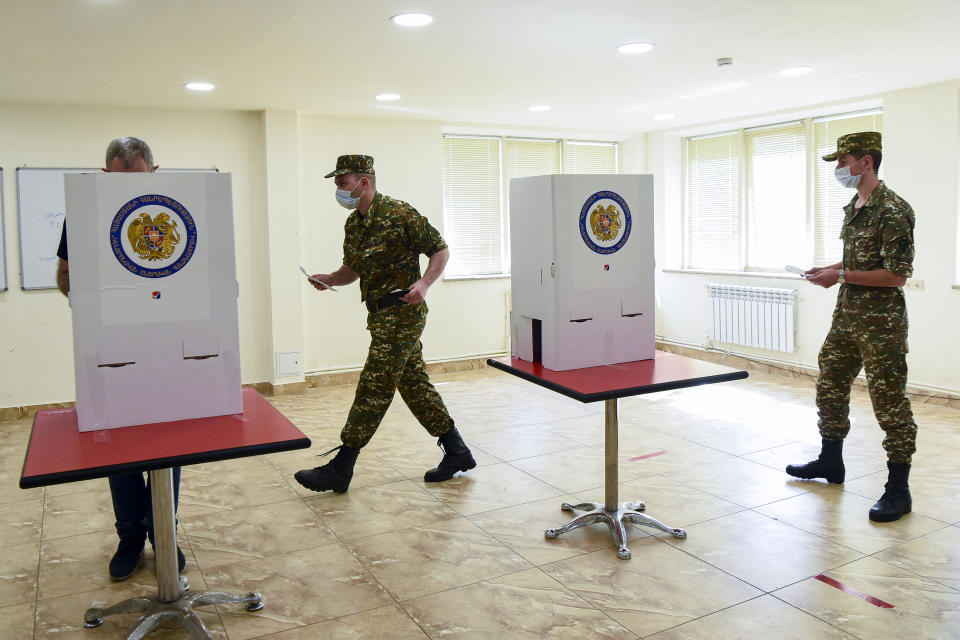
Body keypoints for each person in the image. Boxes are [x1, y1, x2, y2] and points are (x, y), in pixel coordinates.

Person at [295, 154, 476, 493]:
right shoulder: (354, 224)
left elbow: (440, 250)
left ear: (364, 182)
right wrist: (330, 279)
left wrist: (423, 284)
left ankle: (342, 465)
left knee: (374, 386)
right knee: (414, 385)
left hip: (404, 312)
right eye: (336, 183)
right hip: (379, 315)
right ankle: (457, 451)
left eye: (343, 182)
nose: (338, 189)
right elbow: (352, 270)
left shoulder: (399, 212)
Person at [56, 136, 186, 579]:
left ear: (154, 171)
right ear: (104, 176)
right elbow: (65, 273)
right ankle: (130, 536)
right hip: (113, 349)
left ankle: (163, 534)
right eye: (116, 180)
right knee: (122, 449)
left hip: (169, 348)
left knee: (169, 445)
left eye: (133, 180)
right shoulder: (85, 212)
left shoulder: (179, 207)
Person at [786, 131, 917, 522]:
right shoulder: (854, 206)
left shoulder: (893, 209)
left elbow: (896, 275)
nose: (839, 169)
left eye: (844, 162)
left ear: (867, 161)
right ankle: (831, 461)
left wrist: (841, 274)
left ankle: (899, 488)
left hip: (881, 323)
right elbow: (859, 264)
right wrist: (832, 269)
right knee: (830, 383)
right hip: (847, 316)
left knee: (889, 402)